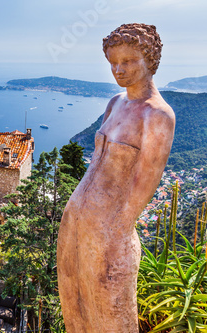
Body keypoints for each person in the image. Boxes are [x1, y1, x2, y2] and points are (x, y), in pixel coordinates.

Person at [57, 23, 175, 332]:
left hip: (109, 229)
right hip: (76, 218)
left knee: (111, 315)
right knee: (75, 307)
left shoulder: (158, 115)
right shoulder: (115, 103)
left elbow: (146, 182)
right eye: (113, 62)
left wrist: (117, 229)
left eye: (127, 61)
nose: (117, 70)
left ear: (149, 60)